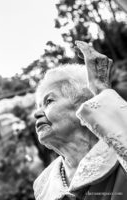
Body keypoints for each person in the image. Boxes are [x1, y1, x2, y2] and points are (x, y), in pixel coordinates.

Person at [33, 40, 127, 200]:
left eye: (48, 101)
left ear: (84, 105)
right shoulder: (42, 186)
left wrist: (100, 89)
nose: (36, 113)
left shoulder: (120, 154)